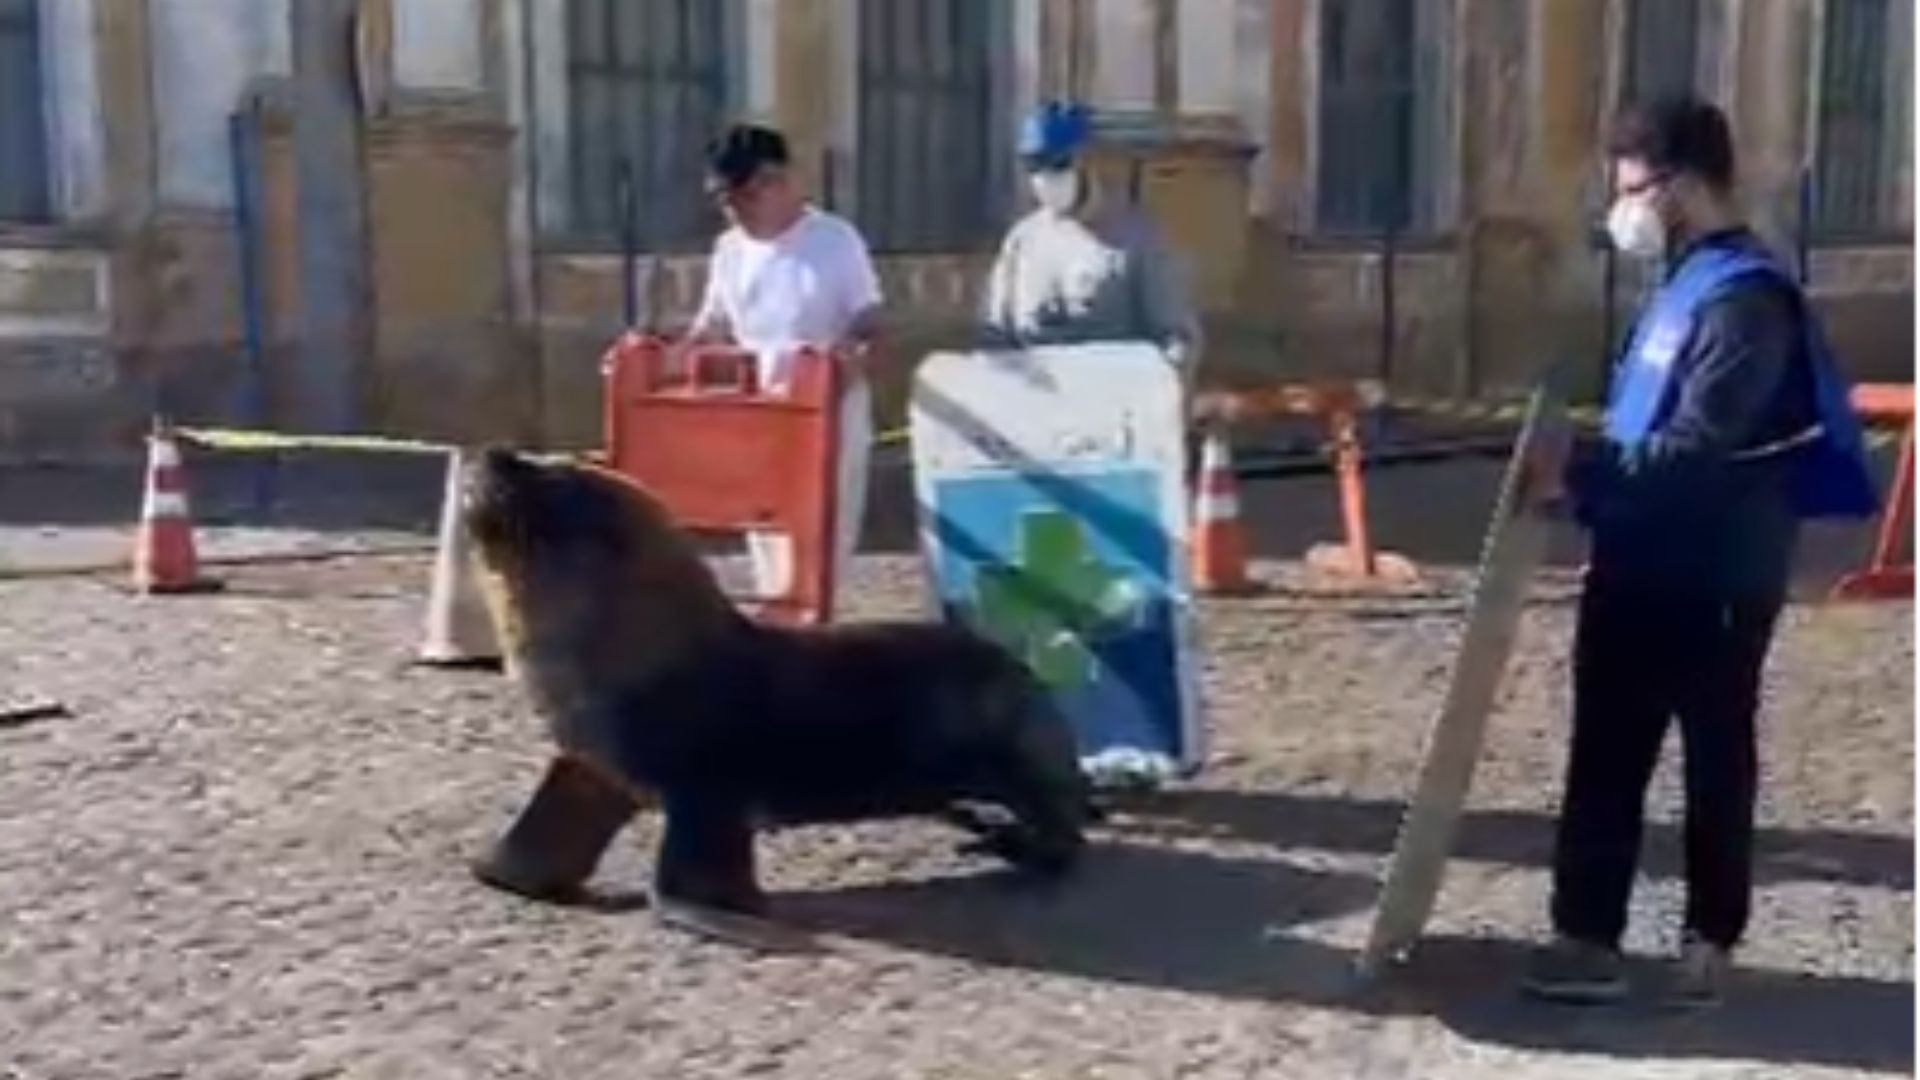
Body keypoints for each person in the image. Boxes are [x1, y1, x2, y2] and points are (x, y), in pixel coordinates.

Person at [1523, 97, 1877, 1008]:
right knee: (1605, 746)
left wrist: (1581, 477)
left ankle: (1709, 937)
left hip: (1719, 566)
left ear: (1680, 185)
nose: (1625, 205)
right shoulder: (1680, 284)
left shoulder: (1747, 299)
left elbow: (1700, 442)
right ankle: (1586, 935)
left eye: (1635, 186)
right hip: (1637, 555)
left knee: (1714, 754)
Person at [684, 123, 885, 614]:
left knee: (820, 545)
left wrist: (854, 352)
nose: (736, 213)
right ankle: (780, 640)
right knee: (770, 547)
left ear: (778, 181)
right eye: (725, 203)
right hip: (763, 418)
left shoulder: (835, 242)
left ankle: (814, 635)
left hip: (827, 414)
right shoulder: (730, 250)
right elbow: (713, 325)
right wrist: (670, 352)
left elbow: (870, 319)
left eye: (745, 197)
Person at [980, 101, 1200, 369]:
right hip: (1037, 405)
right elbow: (995, 338)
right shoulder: (1022, 242)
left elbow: (1176, 338)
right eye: (1033, 165)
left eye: (1058, 164)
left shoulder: (1138, 239)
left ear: (1088, 161)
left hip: (1114, 401)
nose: (1045, 176)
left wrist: (1164, 379)